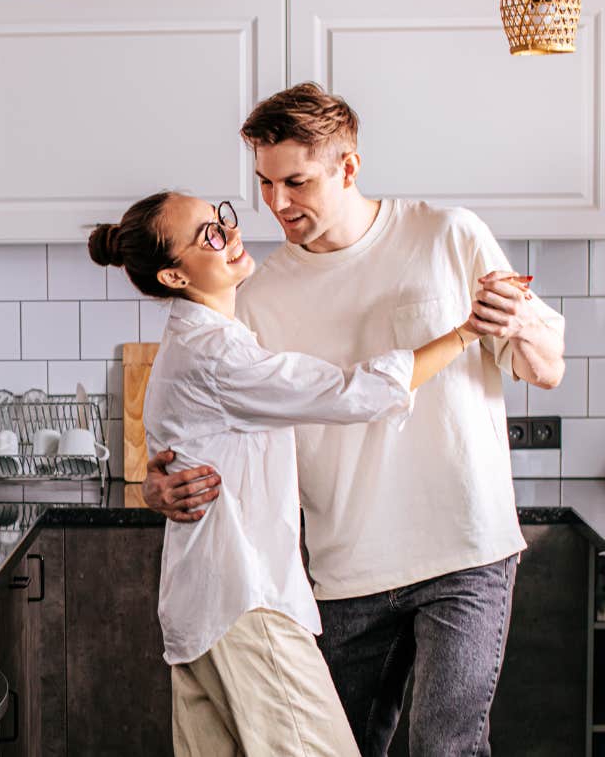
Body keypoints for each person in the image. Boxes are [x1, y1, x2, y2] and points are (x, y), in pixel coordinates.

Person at [142, 83, 567, 756]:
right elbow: (208, 409)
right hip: (345, 564)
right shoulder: (255, 293)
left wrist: (516, 324)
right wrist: (156, 483)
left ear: (349, 166)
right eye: (265, 183)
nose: (278, 204)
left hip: (465, 545)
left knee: (444, 746)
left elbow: (545, 365)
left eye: (297, 182)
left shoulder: (448, 234)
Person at [89, 191, 487, 757]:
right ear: (175, 276)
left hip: (202, 610)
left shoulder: (201, 341)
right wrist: (467, 333)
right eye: (205, 234)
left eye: (219, 218)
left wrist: (156, 488)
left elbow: (184, 452)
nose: (227, 233)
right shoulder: (217, 353)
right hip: (243, 599)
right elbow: (354, 392)